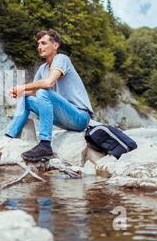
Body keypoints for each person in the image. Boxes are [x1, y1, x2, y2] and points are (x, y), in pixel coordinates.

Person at [5, 29, 94, 162]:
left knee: (43, 91)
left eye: (44, 43)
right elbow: (33, 91)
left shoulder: (62, 59)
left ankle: (45, 145)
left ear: (55, 45)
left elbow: (48, 83)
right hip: (63, 117)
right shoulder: (43, 68)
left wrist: (22, 87)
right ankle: (9, 137)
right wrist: (18, 92)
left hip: (79, 117)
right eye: (38, 44)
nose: (39, 47)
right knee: (26, 99)